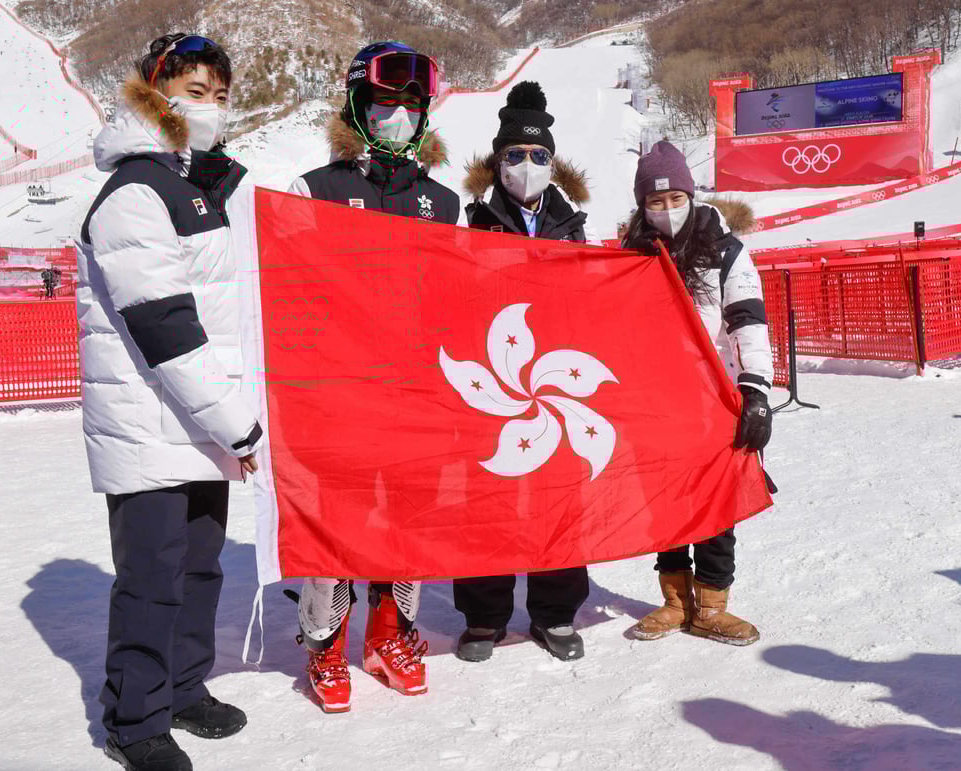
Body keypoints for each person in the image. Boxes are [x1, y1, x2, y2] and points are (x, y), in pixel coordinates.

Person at [76, 33, 260, 771]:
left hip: (196, 422)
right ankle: (135, 715)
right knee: (152, 576)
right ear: (157, 92)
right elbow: (166, 325)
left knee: (200, 564)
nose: (208, 107)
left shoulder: (194, 185)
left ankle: (185, 685)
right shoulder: (136, 190)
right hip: (150, 420)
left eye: (218, 94)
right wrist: (235, 423)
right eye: (193, 90)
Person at [286, 40, 459, 714]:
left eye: (412, 103)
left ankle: (392, 631)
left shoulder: (441, 202)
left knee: (406, 525)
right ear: (357, 101)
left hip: (415, 396)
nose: (399, 114)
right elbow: (288, 298)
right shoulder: (316, 189)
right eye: (386, 100)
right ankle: (324, 641)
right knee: (336, 528)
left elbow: (456, 300)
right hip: (338, 396)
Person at [453, 81, 594, 665]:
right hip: (491, 372)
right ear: (497, 161)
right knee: (488, 492)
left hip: (555, 377)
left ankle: (555, 611)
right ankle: (484, 615)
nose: (527, 165)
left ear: (552, 163)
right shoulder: (471, 221)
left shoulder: (571, 223)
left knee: (558, 495)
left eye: (539, 156)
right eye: (514, 154)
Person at [622, 140, 773, 646]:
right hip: (658, 399)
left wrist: (755, 389)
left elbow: (747, 318)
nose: (666, 211)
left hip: (714, 394)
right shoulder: (634, 254)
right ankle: (674, 600)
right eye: (655, 202)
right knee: (665, 500)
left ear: (691, 194)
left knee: (715, 502)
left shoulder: (725, 249)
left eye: (675, 198)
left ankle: (711, 604)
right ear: (643, 205)